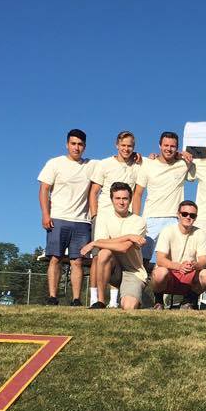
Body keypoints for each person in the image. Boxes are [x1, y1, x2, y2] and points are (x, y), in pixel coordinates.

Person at [37, 128, 93, 306]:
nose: (76, 147)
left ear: (85, 146)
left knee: (77, 261)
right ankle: (52, 297)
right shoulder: (55, 163)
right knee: (55, 258)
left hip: (82, 221)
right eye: (73, 144)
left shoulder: (92, 165)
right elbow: (44, 189)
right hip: (58, 218)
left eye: (80, 144)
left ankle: (76, 299)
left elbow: (117, 160)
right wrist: (46, 214)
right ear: (67, 144)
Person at [87, 131, 141, 305]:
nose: (126, 149)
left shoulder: (137, 165)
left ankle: (113, 301)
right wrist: (95, 215)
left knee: (119, 256)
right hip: (104, 217)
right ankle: (95, 298)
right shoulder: (104, 164)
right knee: (99, 257)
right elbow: (94, 192)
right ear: (117, 145)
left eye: (130, 146)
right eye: (123, 145)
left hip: (125, 218)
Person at [79, 182, 148, 310]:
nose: (121, 202)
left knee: (128, 307)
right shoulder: (103, 217)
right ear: (112, 200)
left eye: (125, 198)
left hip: (132, 272)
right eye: (117, 198)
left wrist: (95, 243)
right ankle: (100, 301)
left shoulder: (139, 221)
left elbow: (124, 248)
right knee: (104, 252)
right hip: (112, 269)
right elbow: (101, 241)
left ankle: (135, 297)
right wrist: (128, 236)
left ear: (130, 200)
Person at [133, 131, 193, 263]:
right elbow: (137, 194)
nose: (169, 149)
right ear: (159, 145)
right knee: (141, 260)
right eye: (166, 145)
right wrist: (136, 220)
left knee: (174, 261)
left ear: (177, 148)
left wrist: (182, 154)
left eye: (172, 146)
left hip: (174, 219)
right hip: (151, 218)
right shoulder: (148, 164)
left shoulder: (184, 164)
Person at [151, 200, 206, 307]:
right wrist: (179, 266)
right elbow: (160, 259)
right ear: (178, 215)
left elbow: (204, 261)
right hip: (170, 275)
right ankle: (158, 300)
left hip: (189, 274)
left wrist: (195, 265)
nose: (188, 217)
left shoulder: (200, 233)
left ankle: (188, 301)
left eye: (192, 215)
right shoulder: (167, 231)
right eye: (184, 214)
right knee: (160, 273)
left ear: (195, 218)